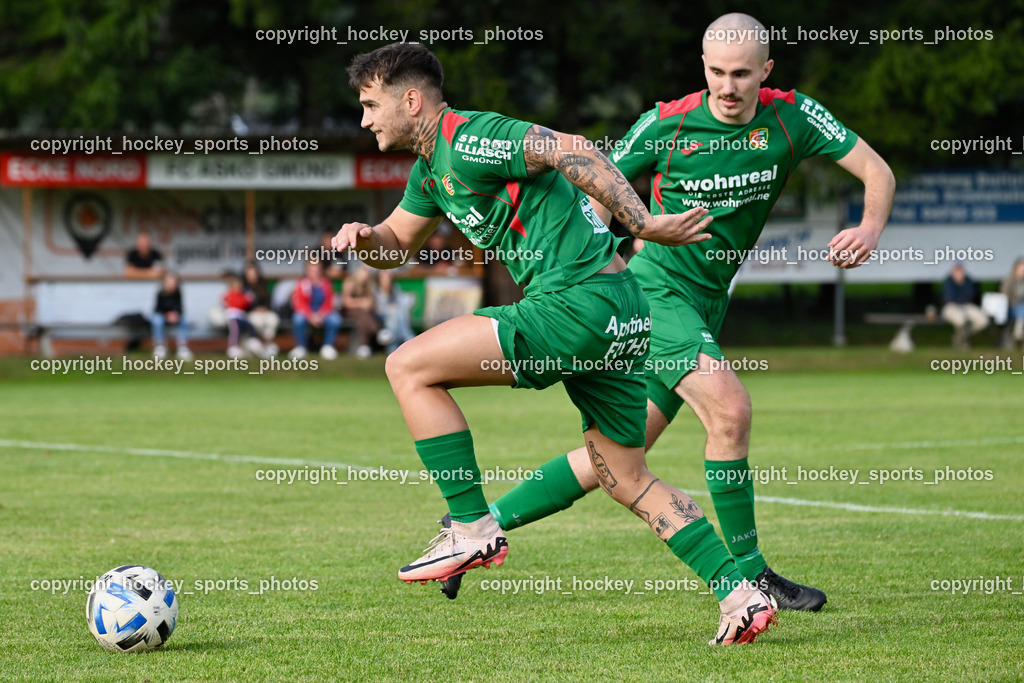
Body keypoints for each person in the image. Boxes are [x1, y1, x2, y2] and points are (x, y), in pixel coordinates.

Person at [335, 41, 777, 644]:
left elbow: (573, 149)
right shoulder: (430, 170)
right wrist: (365, 240)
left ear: (410, 100)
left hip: (576, 303)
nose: (365, 119)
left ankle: (469, 525)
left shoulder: (469, 138)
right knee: (625, 475)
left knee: (409, 367)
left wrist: (640, 223)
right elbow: (397, 242)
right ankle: (739, 593)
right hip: (622, 312)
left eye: (370, 104)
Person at [477, 13, 896, 612]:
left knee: (616, 458)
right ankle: (752, 575)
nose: (728, 87)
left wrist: (869, 225)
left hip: (705, 299)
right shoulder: (667, 123)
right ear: (703, 67)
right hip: (654, 291)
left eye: (743, 74)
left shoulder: (794, 116)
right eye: (718, 72)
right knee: (730, 411)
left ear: (766, 72)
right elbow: (596, 182)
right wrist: (614, 242)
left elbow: (875, 169)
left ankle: (477, 528)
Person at [290, 260, 342, 360]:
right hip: (307, 313)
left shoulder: (326, 283)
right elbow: (299, 303)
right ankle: (300, 347)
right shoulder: (302, 283)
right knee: (298, 319)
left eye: (317, 270)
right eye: (312, 270)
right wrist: (310, 315)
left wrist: (321, 315)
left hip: (322, 313)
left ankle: (328, 346)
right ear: (307, 271)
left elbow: (329, 302)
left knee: (335, 320)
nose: (315, 272)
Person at [942, 262, 988, 348]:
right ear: (953, 271)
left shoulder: (968, 281)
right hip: (952, 307)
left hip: (966, 306)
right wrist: (962, 298)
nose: (959, 273)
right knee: (961, 320)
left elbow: (971, 295)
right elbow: (950, 297)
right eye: (957, 270)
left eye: (960, 270)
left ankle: (964, 335)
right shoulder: (948, 282)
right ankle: (961, 341)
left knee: (983, 321)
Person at [341, 264, 382, 359]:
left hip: (363, 315)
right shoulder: (350, 281)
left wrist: (367, 304)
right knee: (361, 313)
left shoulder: (369, 284)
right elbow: (346, 302)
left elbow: (372, 303)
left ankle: (363, 346)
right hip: (348, 312)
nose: (365, 275)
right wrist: (361, 303)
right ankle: (377, 330)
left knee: (362, 317)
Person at [243, 261, 280, 356]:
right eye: (249, 274)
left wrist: (265, 308)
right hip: (250, 314)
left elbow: (269, 301)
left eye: (253, 273)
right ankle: (257, 346)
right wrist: (253, 308)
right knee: (256, 321)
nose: (251, 276)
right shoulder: (243, 287)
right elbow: (242, 306)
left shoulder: (263, 285)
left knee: (273, 319)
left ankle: (268, 344)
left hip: (265, 312)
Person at [152, 272, 192, 360]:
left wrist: (175, 314)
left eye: (173, 282)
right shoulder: (160, 294)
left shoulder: (178, 293)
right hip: (163, 316)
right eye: (169, 282)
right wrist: (166, 314)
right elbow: (157, 309)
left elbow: (180, 308)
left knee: (185, 320)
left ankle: (183, 346)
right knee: (157, 320)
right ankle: (160, 345)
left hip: (174, 316)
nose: (171, 284)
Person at [222, 273, 262, 358]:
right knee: (235, 332)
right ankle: (233, 347)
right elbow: (238, 303)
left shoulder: (241, 295)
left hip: (241, 316)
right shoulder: (231, 295)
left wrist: (249, 299)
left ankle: (253, 340)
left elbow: (244, 304)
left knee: (249, 326)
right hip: (233, 317)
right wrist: (247, 300)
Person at [375, 270, 416, 353]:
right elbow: (377, 308)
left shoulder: (395, 288)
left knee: (397, 315)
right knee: (395, 315)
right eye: (384, 277)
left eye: (388, 277)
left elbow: (401, 301)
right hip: (380, 317)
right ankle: (408, 338)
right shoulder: (376, 291)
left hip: (393, 318)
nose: (387, 280)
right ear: (379, 279)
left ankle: (394, 346)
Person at [1000, 258, 1024, 348]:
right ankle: (1018, 334)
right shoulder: (1008, 280)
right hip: (1010, 307)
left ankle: (1018, 333)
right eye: (1021, 269)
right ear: (1015, 269)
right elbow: (1004, 296)